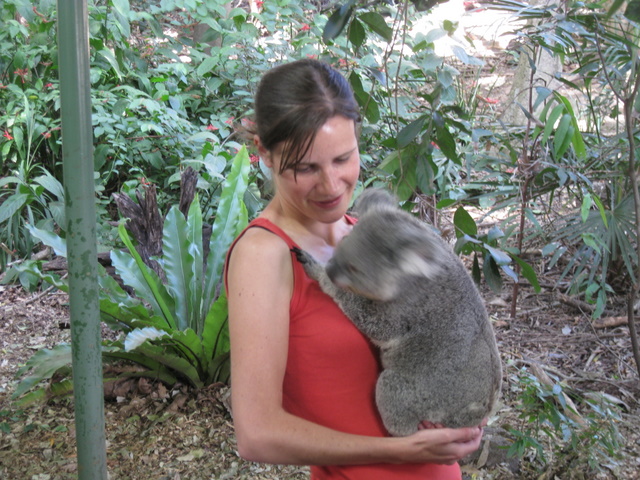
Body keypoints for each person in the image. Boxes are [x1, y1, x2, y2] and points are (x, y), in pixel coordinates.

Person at [224, 58, 485, 480]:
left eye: (343, 158)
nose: (331, 185)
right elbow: (257, 435)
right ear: (264, 154)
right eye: (306, 168)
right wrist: (400, 451)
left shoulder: (365, 231)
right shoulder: (265, 255)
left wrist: (461, 409)